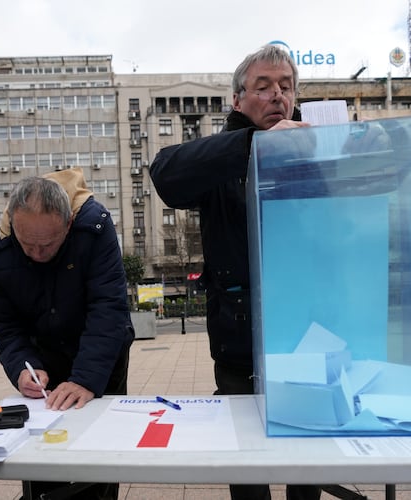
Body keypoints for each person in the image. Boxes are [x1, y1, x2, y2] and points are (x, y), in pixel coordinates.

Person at [151, 44, 321, 500]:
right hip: (238, 338)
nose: (276, 96)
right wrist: (255, 144)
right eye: (262, 86)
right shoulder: (223, 156)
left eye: (285, 87)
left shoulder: (319, 145)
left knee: (307, 459)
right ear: (237, 100)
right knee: (245, 462)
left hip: (309, 335)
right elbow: (165, 175)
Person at [0, 169, 135, 500]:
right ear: (14, 223)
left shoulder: (94, 227)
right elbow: (5, 326)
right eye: (28, 245)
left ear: (68, 225)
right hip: (44, 356)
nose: (37, 255)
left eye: (48, 245)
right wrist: (23, 368)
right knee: (44, 454)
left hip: (101, 355)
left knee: (100, 449)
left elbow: (108, 307)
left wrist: (86, 378)